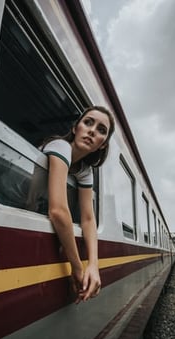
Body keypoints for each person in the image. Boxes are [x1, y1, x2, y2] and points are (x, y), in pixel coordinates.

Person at [43, 106, 115, 303]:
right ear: (76, 128)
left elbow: (88, 218)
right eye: (88, 122)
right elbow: (58, 211)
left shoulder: (84, 171)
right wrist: (77, 267)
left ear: (102, 145)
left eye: (101, 130)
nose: (92, 130)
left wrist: (93, 265)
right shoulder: (60, 146)